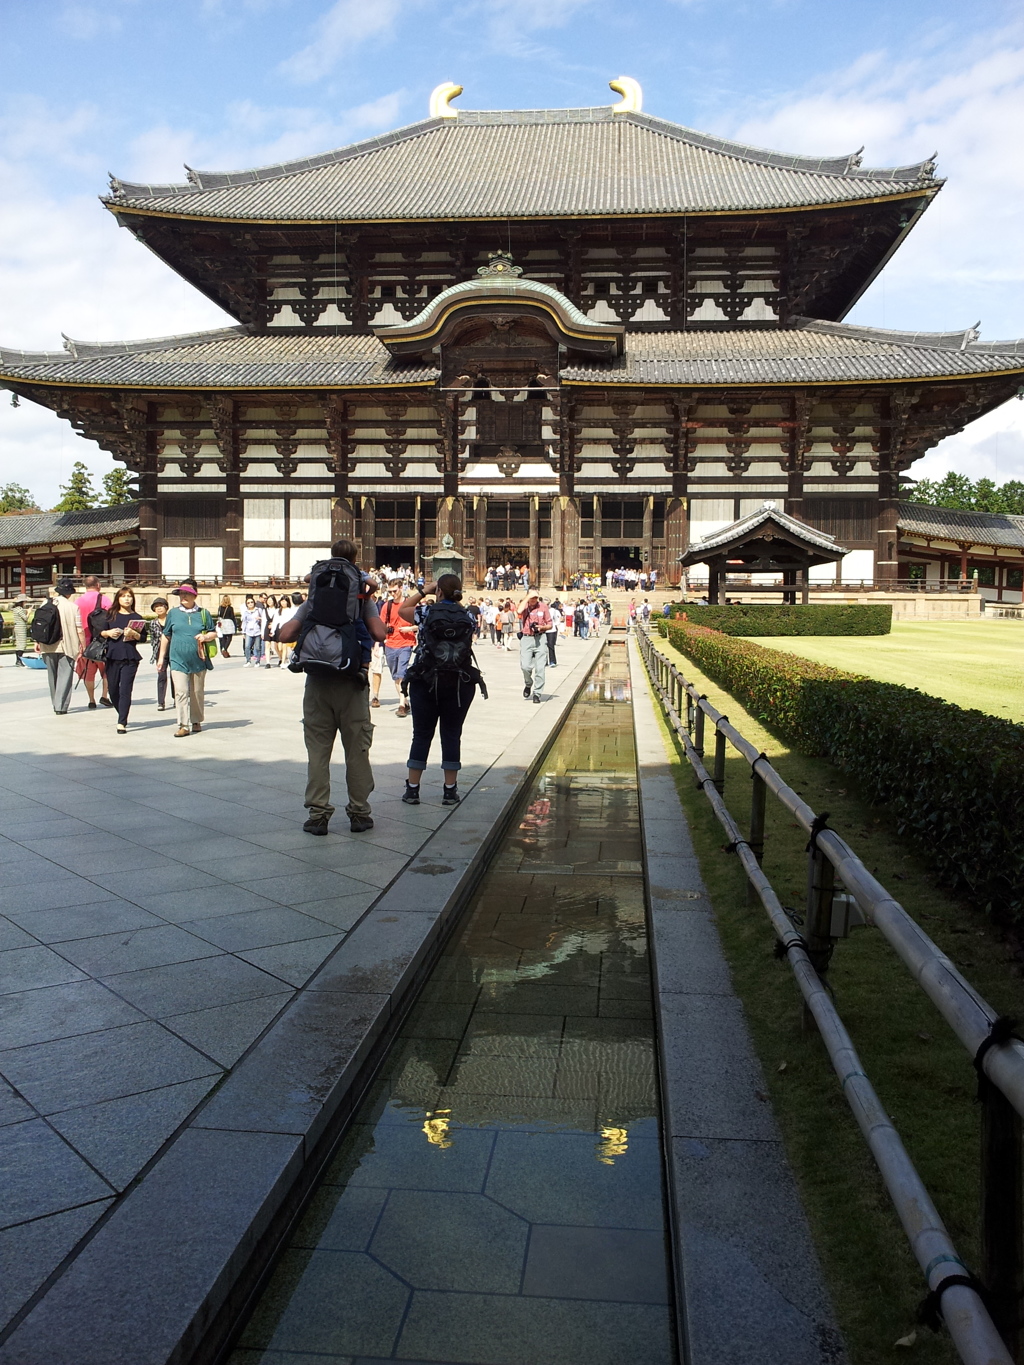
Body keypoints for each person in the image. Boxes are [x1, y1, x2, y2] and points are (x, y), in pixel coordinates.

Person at [277, 539, 384, 835]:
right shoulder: (360, 596)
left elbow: (286, 634)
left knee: (318, 753)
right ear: (355, 560)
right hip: (352, 684)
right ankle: (359, 813)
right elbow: (379, 633)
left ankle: (317, 815)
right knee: (357, 751)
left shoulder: (315, 598)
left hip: (317, 684)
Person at [399, 575, 484, 807]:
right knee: (451, 734)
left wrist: (425, 591)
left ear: (438, 592)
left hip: (425, 680)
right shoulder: (468, 616)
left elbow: (403, 610)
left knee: (421, 734)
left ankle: (413, 790)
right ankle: (449, 791)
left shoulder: (426, 612)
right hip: (458, 683)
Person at [157, 585, 217, 737]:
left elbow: (213, 632)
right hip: (177, 659)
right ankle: (183, 724)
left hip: (198, 659)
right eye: (181, 594)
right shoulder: (173, 613)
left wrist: (205, 637)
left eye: (187, 594)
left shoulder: (204, 613)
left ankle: (196, 720)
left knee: (196, 692)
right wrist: (161, 657)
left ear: (195, 596)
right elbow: (166, 635)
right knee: (181, 691)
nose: (183, 596)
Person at [100, 586, 147, 733]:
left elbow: (144, 638)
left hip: (130, 657)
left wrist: (134, 633)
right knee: (113, 689)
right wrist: (108, 632)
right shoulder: (110, 615)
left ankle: (122, 722)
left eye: (129, 596)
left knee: (126, 690)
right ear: (118, 599)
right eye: (123, 596)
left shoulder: (137, 618)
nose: (127, 599)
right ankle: (121, 712)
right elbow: (99, 633)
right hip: (112, 656)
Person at [38, 579, 84, 714]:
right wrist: (83, 646)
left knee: (52, 676)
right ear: (69, 593)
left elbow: (39, 625)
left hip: (48, 644)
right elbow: (79, 629)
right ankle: (61, 706)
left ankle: (55, 703)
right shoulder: (73, 607)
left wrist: (37, 642)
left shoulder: (45, 603)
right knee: (65, 676)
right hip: (67, 646)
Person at [379, 580, 417, 718]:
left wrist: (410, 628)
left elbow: (421, 624)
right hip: (390, 644)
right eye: (390, 592)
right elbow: (381, 624)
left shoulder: (410, 605)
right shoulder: (386, 606)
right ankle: (405, 701)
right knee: (396, 676)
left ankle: (401, 705)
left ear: (401, 588)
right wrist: (381, 640)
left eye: (395, 591)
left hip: (406, 643)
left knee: (401, 673)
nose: (392, 594)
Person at [76, 575, 112, 708]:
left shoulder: (78, 601)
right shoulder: (104, 599)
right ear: (98, 585)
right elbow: (112, 617)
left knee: (88, 673)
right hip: (102, 641)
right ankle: (104, 695)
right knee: (106, 671)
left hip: (84, 642)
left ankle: (91, 699)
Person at [518, 591, 552, 703]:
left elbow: (550, 624)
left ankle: (537, 693)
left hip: (540, 638)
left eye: (536, 597)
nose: (534, 600)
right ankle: (528, 683)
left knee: (540, 668)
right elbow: (518, 611)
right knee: (525, 666)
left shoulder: (543, 607)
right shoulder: (525, 606)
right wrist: (527, 597)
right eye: (532, 597)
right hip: (527, 638)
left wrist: (541, 627)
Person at [149, 598, 172, 708]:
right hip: (160, 652)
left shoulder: (171, 620)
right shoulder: (153, 623)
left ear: (166, 607)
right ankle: (161, 702)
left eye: (161, 606)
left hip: (173, 650)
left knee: (175, 675)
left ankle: (176, 698)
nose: (158, 608)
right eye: (156, 606)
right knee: (161, 676)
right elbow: (154, 639)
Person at [240, 595, 266, 666]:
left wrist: (260, 618)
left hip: (257, 631)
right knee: (247, 646)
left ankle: (258, 661)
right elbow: (244, 622)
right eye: (248, 603)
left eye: (251, 602)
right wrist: (243, 632)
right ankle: (248, 660)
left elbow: (264, 619)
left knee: (257, 647)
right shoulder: (246, 612)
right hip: (249, 631)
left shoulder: (258, 610)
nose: (250, 604)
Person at [11, 595, 31, 665]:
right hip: (21, 627)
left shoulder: (16, 609)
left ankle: (18, 660)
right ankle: (19, 659)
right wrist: (29, 612)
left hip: (17, 627)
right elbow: (25, 618)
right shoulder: (19, 609)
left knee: (19, 644)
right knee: (22, 644)